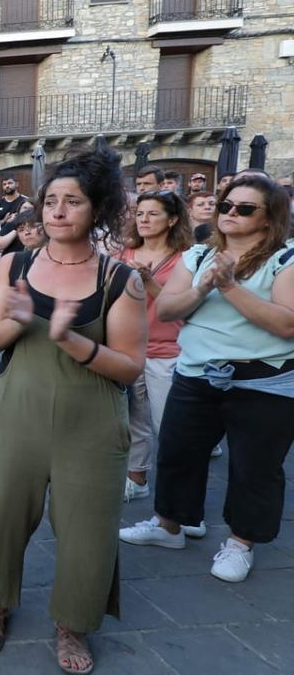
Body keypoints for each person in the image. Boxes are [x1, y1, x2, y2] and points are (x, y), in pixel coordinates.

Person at [0, 147, 146, 675]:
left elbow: (130, 367)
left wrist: (72, 341)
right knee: (2, 514)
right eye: (50, 201)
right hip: (16, 410)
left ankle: (74, 621)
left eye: (72, 201)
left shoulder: (120, 279)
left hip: (90, 420)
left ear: (98, 209)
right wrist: (23, 320)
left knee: (88, 527)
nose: (57, 211)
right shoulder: (11, 264)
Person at [120, 175, 294, 584]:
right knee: (178, 452)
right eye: (226, 206)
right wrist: (203, 289)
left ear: (270, 218)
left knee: (256, 466)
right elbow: (167, 309)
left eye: (245, 208)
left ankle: (240, 542)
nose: (231, 212)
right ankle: (170, 525)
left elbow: (287, 324)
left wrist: (230, 288)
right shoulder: (198, 255)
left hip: (263, 380)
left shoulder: (285, 260)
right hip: (196, 372)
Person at [116, 191, 193, 503]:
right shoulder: (126, 252)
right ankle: (137, 478)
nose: (144, 220)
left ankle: (181, 498)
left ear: (172, 219)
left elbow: (183, 307)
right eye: (140, 213)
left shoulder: (186, 257)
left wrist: (148, 282)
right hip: (129, 347)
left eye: (153, 214)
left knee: (170, 426)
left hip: (168, 349)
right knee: (133, 419)